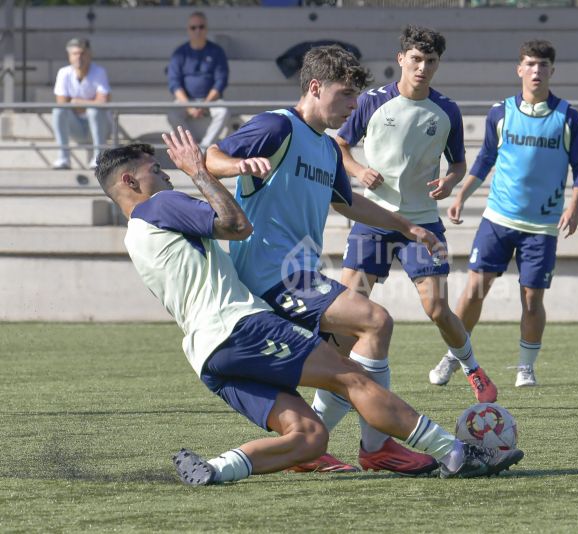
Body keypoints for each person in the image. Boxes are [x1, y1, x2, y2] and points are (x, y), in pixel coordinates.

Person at [93, 129, 524, 485]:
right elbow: (236, 225)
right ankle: (454, 453)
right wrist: (199, 171)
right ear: (130, 181)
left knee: (309, 436)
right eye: (155, 170)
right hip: (239, 329)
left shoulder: (136, 236)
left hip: (207, 358)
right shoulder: (158, 205)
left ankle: (215, 469)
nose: (166, 175)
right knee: (351, 376)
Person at [206, 45, 452, 476]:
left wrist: (408, 228)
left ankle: (310, 449)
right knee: (375, 321)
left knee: (346, 354)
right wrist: (238, 165)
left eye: (356, 96)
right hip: (273, 273)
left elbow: (348, 202)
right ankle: (377, 447)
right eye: (345, 94)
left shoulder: (325, 148)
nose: (354, 105)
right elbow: (211, 158)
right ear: (316, 87)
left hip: (300, 273)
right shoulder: (277, 126)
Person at [335, 26, 497, 403]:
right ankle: (335, 378)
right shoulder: (372, 101)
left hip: (422, 223)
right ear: (401, 59)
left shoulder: (447, 110)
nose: (423, 67)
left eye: (431, 61)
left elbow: (458, 163)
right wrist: (358, 170)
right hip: (373, 219)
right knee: (348, 307)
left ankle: (472, 369)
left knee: (437, 308)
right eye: (416, 59)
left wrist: (450, 182)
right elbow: (339, 144)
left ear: (438, 64)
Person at [436, 39, 578, 388]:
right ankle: (453, 356)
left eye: (543, 65)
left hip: (542, 226)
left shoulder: (567, 117)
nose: (536, 71)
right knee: (475, 289)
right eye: (530, 64)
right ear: (519, 69)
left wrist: (574, 206)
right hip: (498, 220)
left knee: (532, 299)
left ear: (552, 70)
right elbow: (485, 159)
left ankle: (526, 367)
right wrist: (461, 195)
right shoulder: (501, 113)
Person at [167, 11, 230, 149]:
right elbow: (174, 83)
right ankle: (192, 147)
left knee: (223, 111)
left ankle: (205, 147)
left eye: (201, 27)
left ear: (206, 29)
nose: (197, 31)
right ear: (188, 30)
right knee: (172, 113)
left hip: (211, 101)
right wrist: (189, 106)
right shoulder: (179, 53)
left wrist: (205, 104)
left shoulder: (217, 51)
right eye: (193, 27)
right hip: (186, 100)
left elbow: (220, 82)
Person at [52, 37, 111, 170]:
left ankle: (99, 159)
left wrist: (76, 102)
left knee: (94, 111)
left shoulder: (99, 72)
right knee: (58, 111)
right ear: (69, 56)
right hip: (76, 127)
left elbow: (103, 102)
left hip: (99, 126)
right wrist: (91, 102)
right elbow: (61, 103)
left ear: (89, 55)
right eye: (75, 53)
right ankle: (63, 158)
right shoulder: (64, 72)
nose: (79, 57)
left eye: (82, 53)